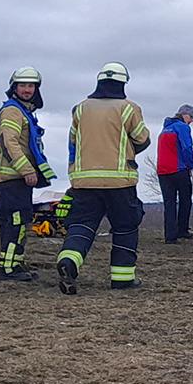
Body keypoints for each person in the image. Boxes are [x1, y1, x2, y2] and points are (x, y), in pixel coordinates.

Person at [56, 63, 150, 294]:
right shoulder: (128, 108)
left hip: (84, 181)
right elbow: (142, 138)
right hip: (120, 181)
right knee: (125, 227)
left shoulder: (80, 108)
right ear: (123, 83)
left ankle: (69, 261)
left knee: (81, 225)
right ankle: (122, 278)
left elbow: (73, 141)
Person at [0, 67, 56, 282]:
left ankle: (15, 263)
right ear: (14, 87)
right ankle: (8, 268)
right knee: (15, 222)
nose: (27, 90)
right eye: (23, 85)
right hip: (12, 177)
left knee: (20, 221)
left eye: (31, 86)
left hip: (15, 178)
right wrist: (27, 170)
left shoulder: (23, 110)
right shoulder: (13, 111)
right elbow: (9, 143)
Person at [156, 105, 193, 243]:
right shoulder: (182, 127)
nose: (191, 121)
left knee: (169, 203)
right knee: (185, 199)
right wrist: (190, 165)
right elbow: (187, 147)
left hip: (162, 171)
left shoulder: (165, 128)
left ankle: (170, 236)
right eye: (191, 118)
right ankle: (182, 230)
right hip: (178, 169)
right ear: (186, 115)